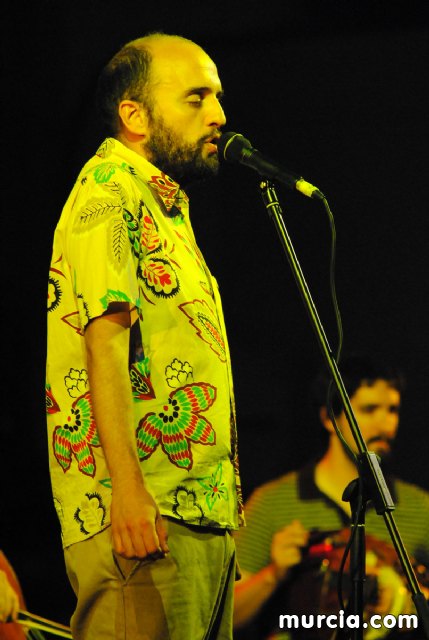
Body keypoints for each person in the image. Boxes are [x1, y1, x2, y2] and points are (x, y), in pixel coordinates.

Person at [46, 32, 244, 640]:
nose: (219, 114)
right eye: (196, 98)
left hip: (197, 512)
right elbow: (102, 345)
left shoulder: (161, 202)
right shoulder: (109, 190)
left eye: (217, 96)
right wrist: (128, 494)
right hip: (144, 513)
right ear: (134, 115)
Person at [233, 354, 429, 639]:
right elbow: (226, 617)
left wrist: (404, 602)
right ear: (329, 418)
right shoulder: (272, 502)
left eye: (393, 410)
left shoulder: (419, 507)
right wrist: (274, 573)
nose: (386, 424)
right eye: (369, 409)